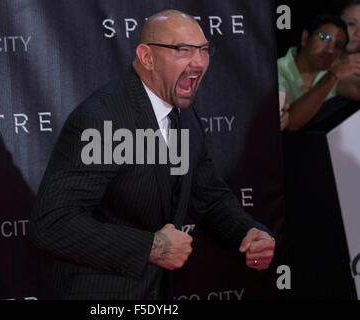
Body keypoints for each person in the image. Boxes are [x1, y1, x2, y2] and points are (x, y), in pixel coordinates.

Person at [29, 9, 275, 300]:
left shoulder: (185, 116)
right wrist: (152, 247)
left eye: (204, 50)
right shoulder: (103, 120)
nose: (198, 62)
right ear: (147, 57)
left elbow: (208, 197)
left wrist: (247, 231)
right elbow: (52, 223)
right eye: (182, 50)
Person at [278, 15, 360, 131]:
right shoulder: (276, 71)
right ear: (305, 38)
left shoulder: (332, 73)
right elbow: (290, 123)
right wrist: (332, 76)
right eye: (324, 38)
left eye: (337, 45)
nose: (330, 50)